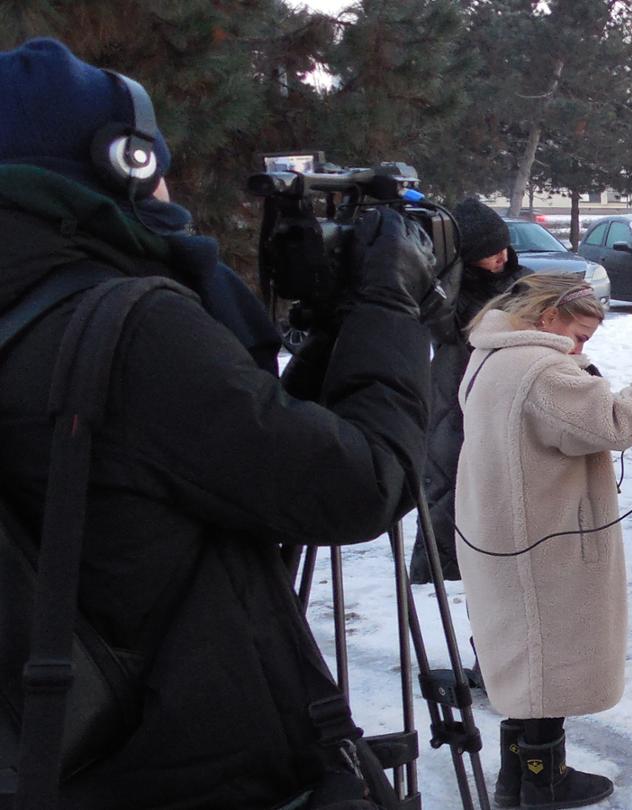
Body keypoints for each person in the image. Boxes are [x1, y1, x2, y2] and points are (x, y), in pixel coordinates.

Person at [0, 38, 435, 806]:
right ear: (120, 162)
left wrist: (337, 332)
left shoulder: (28, 308)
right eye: (155, 158)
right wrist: (391, 310)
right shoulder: (127, 329)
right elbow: (355, 484)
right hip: (193, 766)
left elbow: (229, 465)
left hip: (62, 759)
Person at [454, 274, 632, 808]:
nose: (580, 349)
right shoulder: (540, 369)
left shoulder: (488, 355)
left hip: (504, 531)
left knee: (526, 656)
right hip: (545, 539)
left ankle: (515, 777)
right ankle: (543, 781)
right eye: (578, 335)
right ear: (547, 318)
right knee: (548, 660)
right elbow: (614, 423)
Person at [413, 197, 528, 584]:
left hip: (509, 391)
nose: (501, 257)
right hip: (454, 392)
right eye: (489, 253)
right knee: (447, 483)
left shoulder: (521, 280)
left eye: (503, 247)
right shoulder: (447, 292)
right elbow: (445, 326)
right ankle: (441, 572)